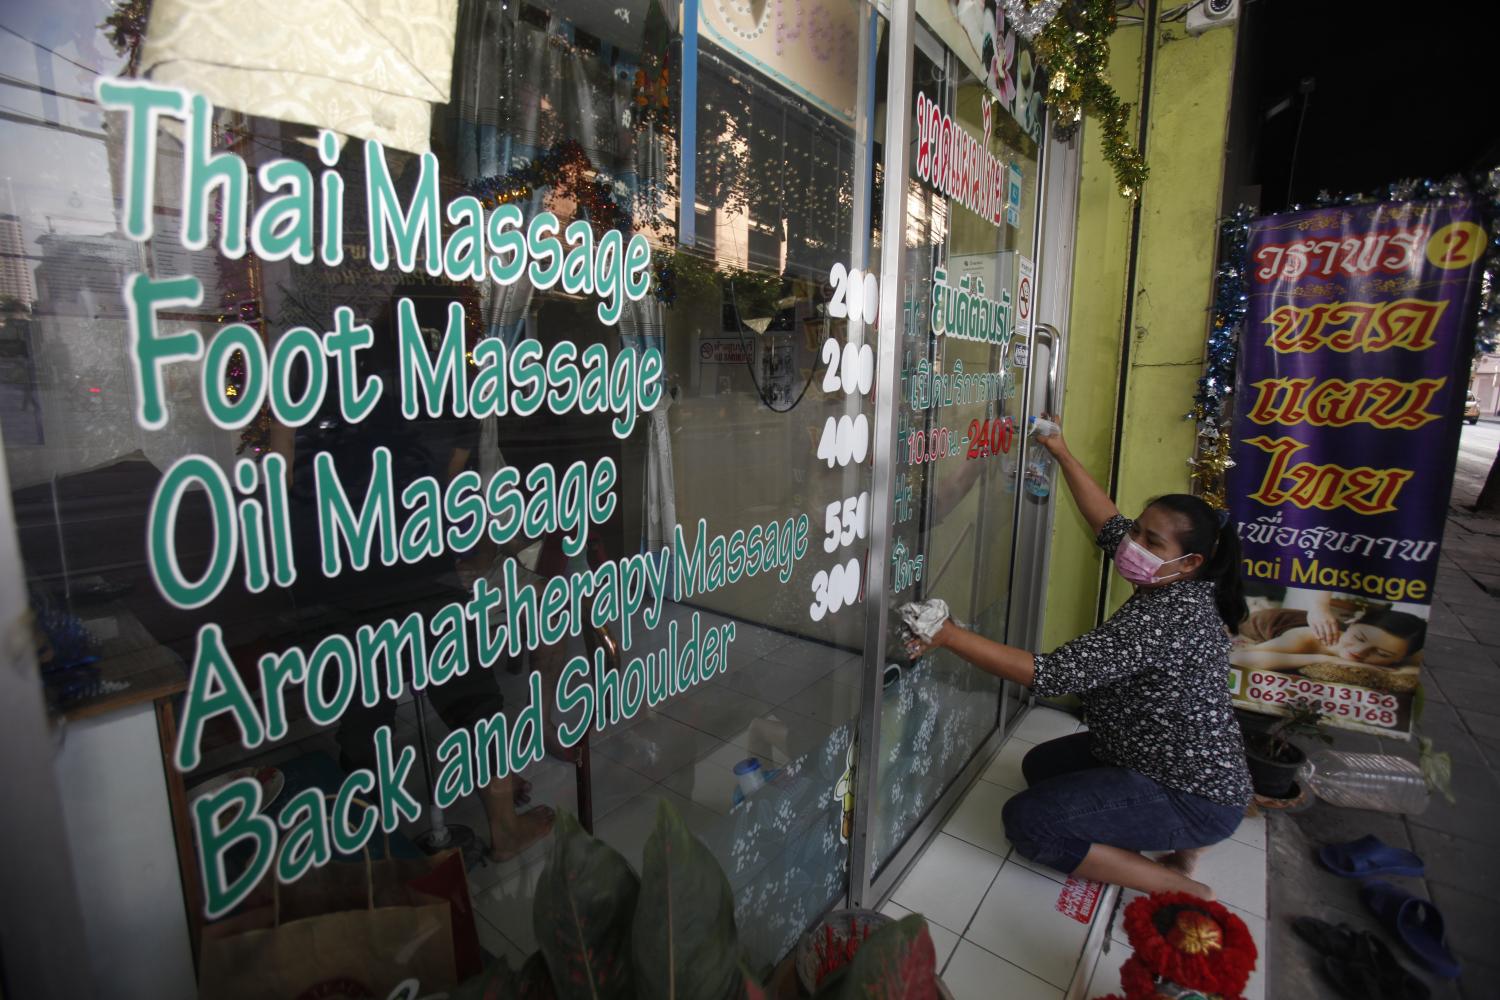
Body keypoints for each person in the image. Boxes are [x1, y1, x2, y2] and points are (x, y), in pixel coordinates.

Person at [906, 419, 1252, 900]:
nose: (1133, 546)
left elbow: (1050, 674)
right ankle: (1169, 834)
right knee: (1042, 766)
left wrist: (947, 635)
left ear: (1190, 561)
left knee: (1029, 822)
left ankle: (1176, 881)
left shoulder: (1169, 616)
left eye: (1152, 542)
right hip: (1145, 756)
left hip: (1192, 792)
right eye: (1138, 531)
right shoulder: (1179, 580)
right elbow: (1107, 523)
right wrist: (1060, 451)